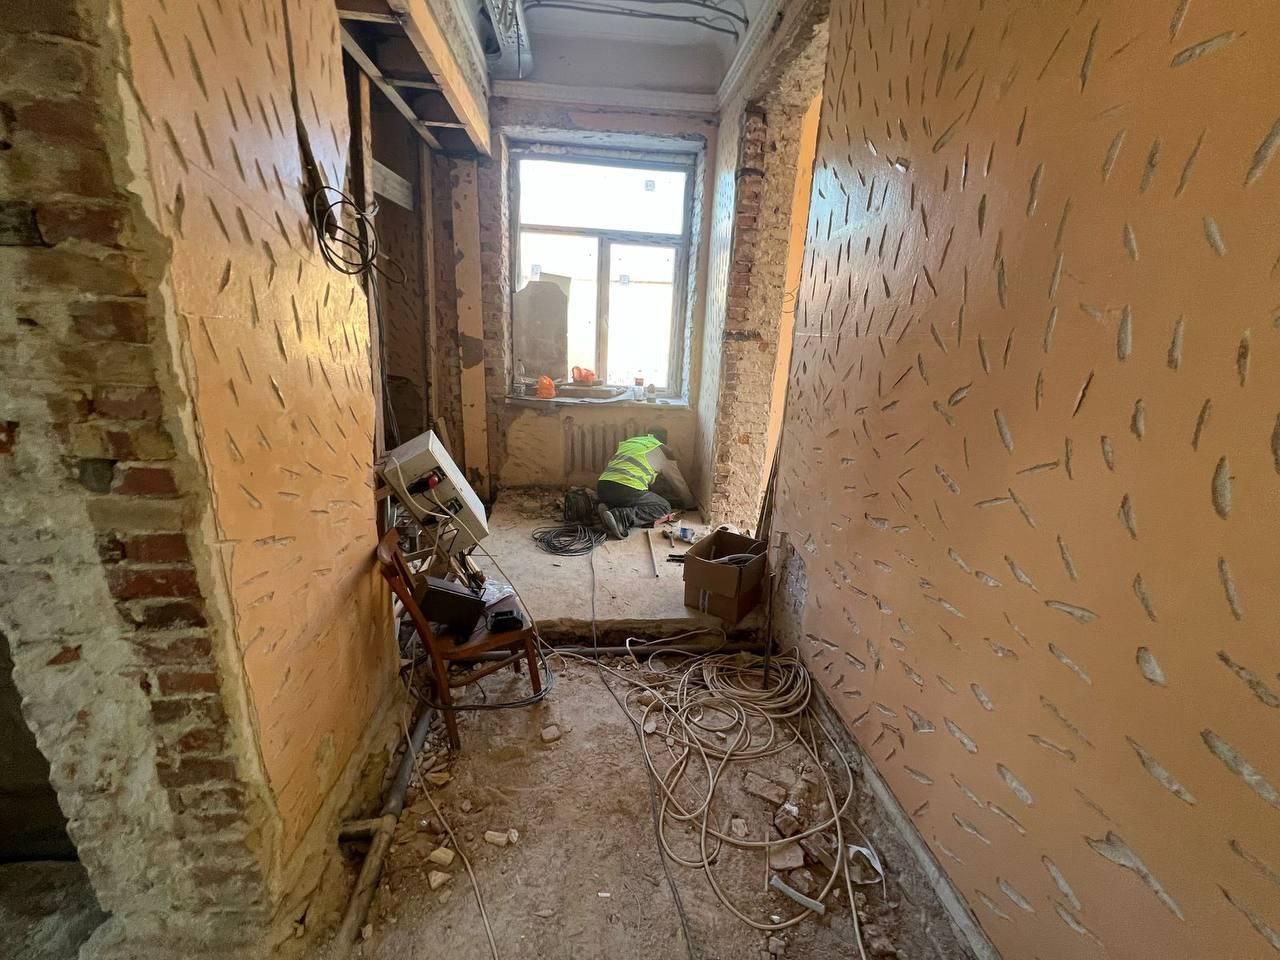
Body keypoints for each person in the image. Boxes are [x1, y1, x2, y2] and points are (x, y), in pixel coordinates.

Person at [596, 433, 693, 539]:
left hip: (602, 486)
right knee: (664, 506)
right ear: (664, 443)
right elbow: (679, 483)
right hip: (626, 488)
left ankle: (609, 507)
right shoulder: (665, 452)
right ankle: (621, 517)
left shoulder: (635, 442)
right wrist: (689, 504)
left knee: (632, 500)